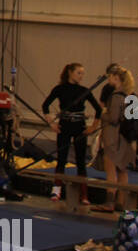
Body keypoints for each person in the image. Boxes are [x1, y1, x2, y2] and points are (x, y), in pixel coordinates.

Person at [41, 62, 101, 203]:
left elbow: (98, 109)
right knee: (61, 159)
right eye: (78, 73)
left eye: (82, 73)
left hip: (80, 126)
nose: (81, 76)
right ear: (70, 72)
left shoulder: (84, 90)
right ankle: (56, 191)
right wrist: (51, 123)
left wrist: (93, 127)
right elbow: (45, 105)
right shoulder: (60, 89)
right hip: (64, 126)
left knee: (81, 160)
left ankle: (84, 194)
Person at [92, 65, 138, 213]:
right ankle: (120, 202)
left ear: (116, 78)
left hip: (113, 138)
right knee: (122, 170)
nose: (109, 79)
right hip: (126, 139)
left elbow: (113, 118)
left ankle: (109, 202)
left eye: (111, 76)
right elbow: (133, 120)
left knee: (111, 170)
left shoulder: (116, 96)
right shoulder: (132, 96)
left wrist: (103, 113)